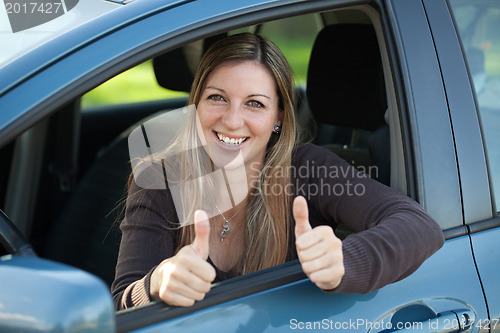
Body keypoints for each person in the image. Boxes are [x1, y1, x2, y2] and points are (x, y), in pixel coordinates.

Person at [111, 33, 444, 310]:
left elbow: (420, 226)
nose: (231, 120)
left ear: (279, 117)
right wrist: (155, 284)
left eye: (254, 104)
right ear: (196, 104)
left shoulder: (309, 168)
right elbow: (122, 302)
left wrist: (345, 260)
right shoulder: (160, 178)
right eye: (217, 98)